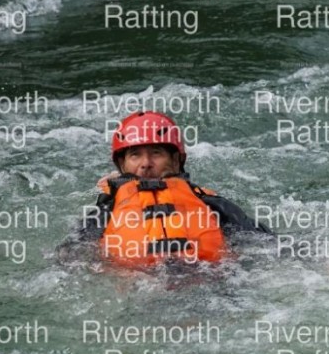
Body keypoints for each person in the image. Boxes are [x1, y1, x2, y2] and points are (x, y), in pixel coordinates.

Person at [59, 111, 271, 269]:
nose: (146, 163)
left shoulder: (213, 206)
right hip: (141, 290)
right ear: (122, 165)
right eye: (135, 155)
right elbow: (69, 259)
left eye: (156, 153)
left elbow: (267, 247)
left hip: (208, 284)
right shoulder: (104, 215)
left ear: (177, 160)